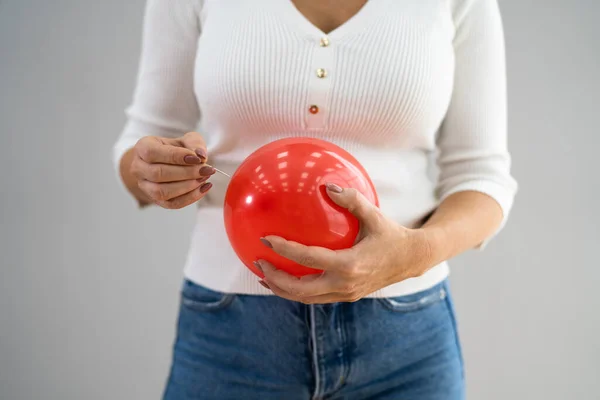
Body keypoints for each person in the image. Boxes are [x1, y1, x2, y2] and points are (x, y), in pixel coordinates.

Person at [113, 0, 517, 398]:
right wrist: (151, 169)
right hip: (229, 332)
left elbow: (482, 176)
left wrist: (414, 254)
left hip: (404, 340)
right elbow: (143, 140)